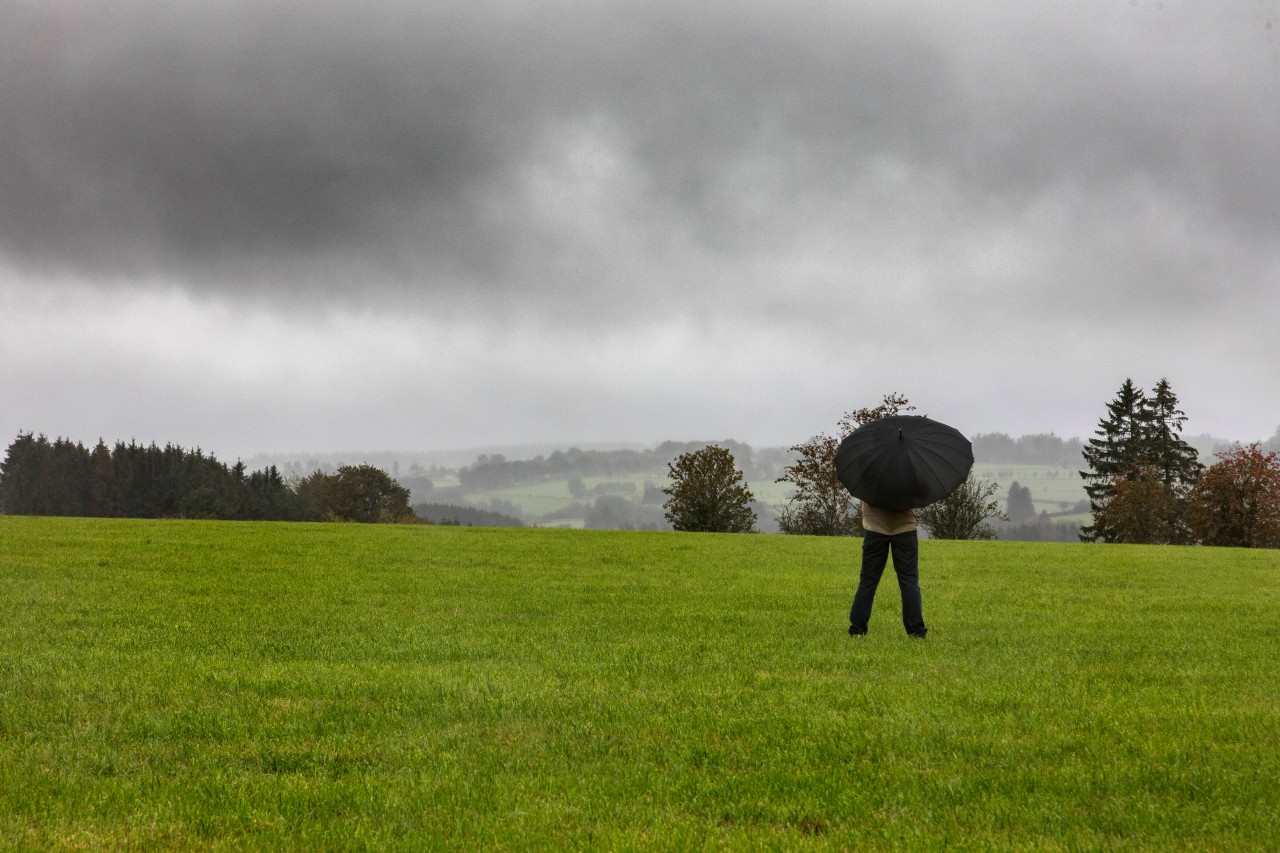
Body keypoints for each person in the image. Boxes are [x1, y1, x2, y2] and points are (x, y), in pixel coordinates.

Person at [848, 502, 927, 638]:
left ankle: (857, 629)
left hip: (874, 527)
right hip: (905, 528)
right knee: (909, 581)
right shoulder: (908, 479)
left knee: (868, 580)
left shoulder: (870, 480)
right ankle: (916, 631)